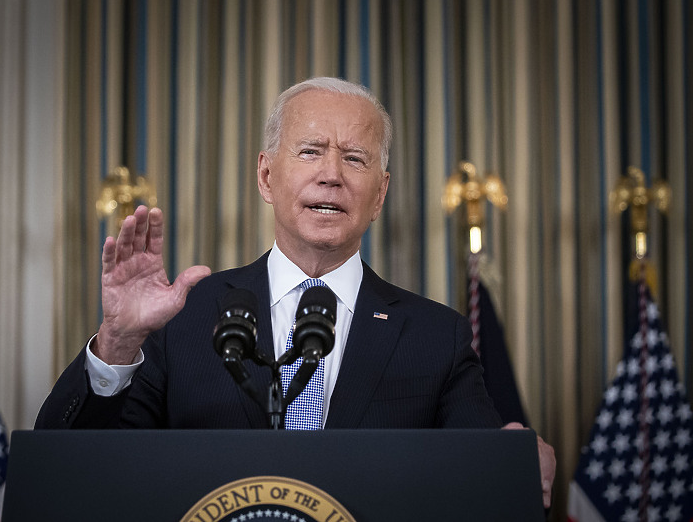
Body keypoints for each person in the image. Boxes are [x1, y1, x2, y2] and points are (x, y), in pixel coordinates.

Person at [35, 77, 555, 507]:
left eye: (355, 159)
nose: (331, 176)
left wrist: (512, 466)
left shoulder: (435, 335)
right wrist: (119, 342)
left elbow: (486, 487)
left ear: (380, 193)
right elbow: (66, 478)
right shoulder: (184, 319)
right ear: (266, 176)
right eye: (310, 152)